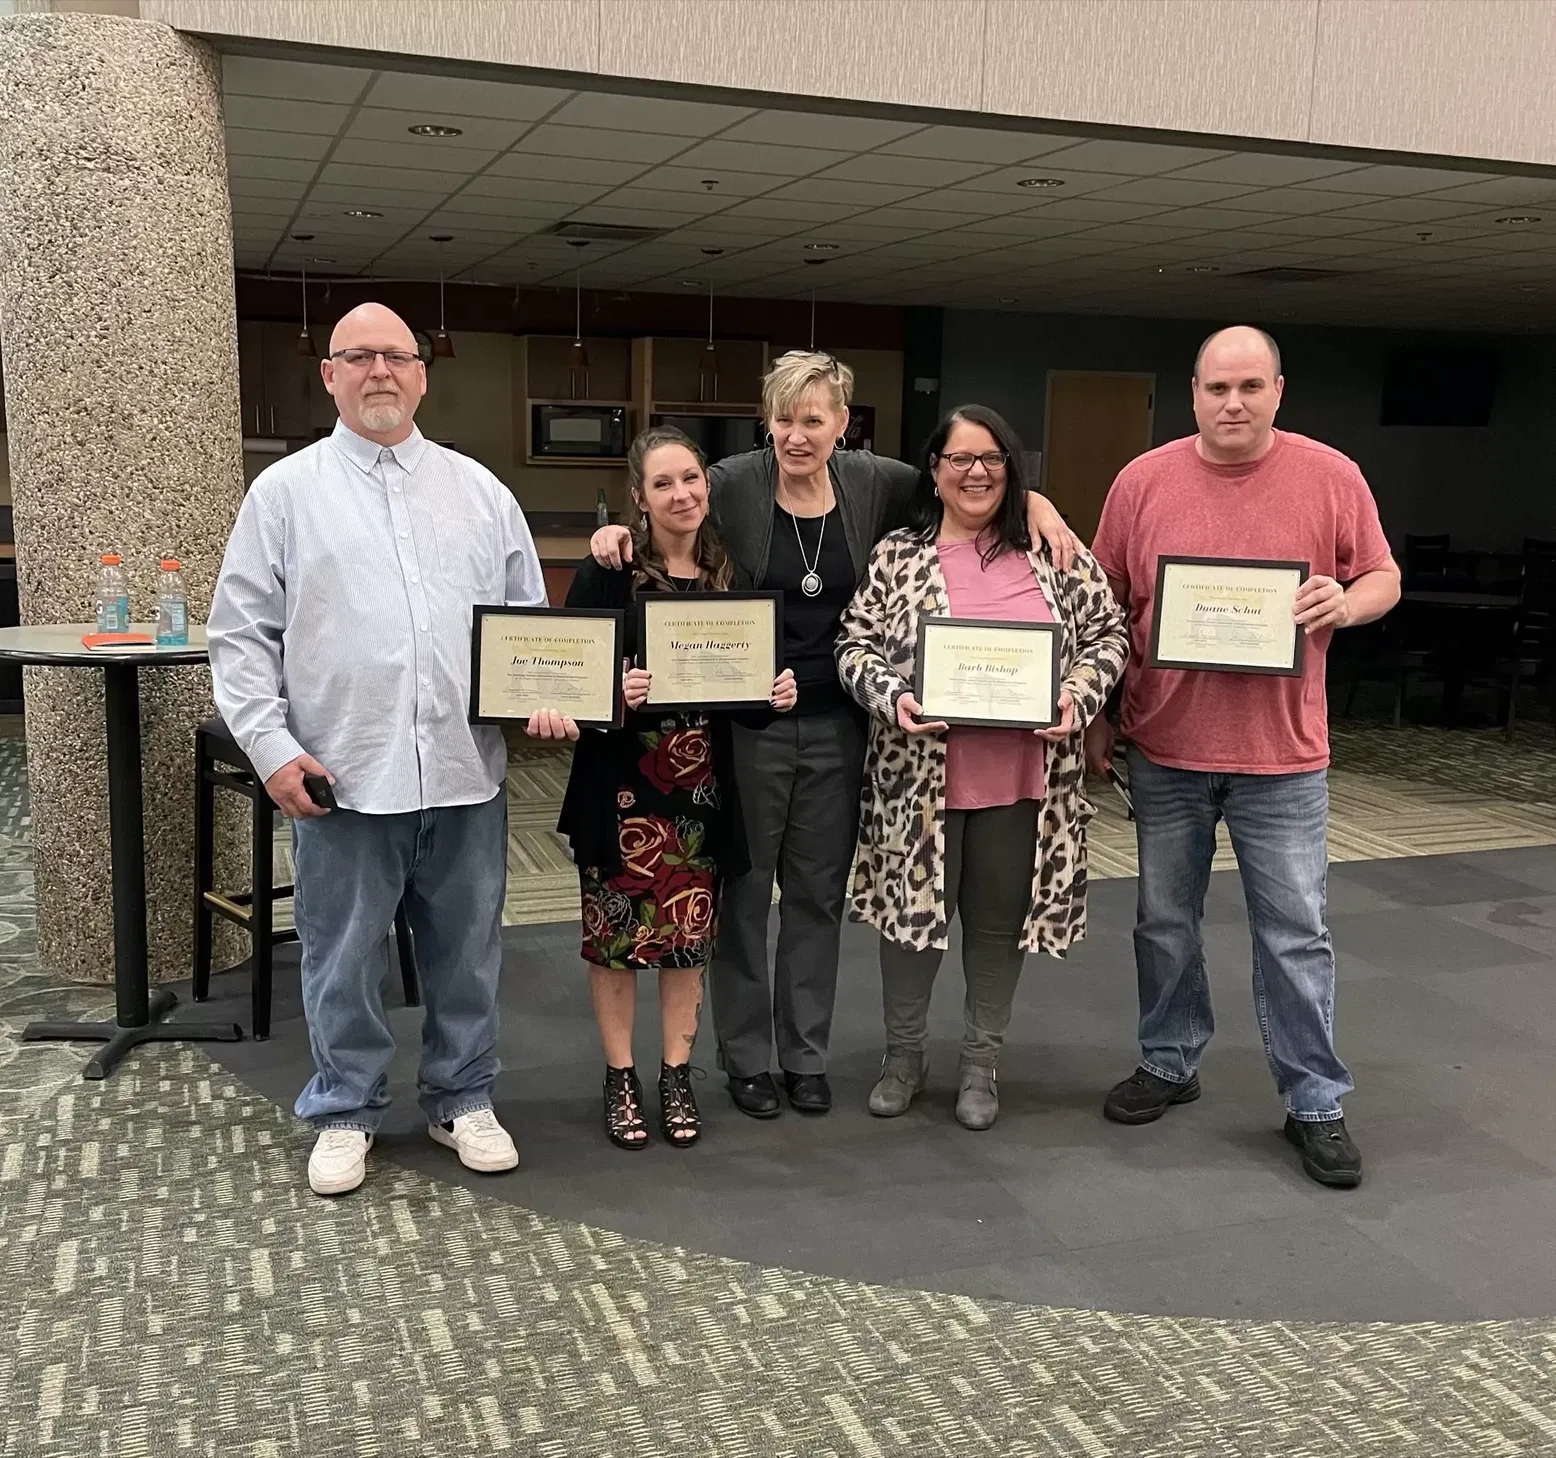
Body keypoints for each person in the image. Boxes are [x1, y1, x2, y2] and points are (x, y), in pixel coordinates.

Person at [591, 352, 1080, 1119]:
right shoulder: (731, 482)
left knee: (817, 896)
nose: (796, 435)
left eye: (813, 420)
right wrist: (613, 533)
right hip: (748, 724)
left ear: (841, 424)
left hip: (842, 725)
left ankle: (805, 1056)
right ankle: (748, 1059)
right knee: (746, 896)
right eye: (783, 419)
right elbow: (665, 504)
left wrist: (1041, 502)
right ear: (767, 421)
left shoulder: (874, 481)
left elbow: (974, 479)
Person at [210, 302, 542, 1197]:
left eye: (397, 356)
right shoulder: (284, 495)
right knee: (342, 953)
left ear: (424, 374)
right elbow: (239, 638)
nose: (380, 372)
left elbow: (530, 627)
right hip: (343, 775)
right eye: (359, 357)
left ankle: (461, 1096)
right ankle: (346, 1106)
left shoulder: (481, 493)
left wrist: (547, 694)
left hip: (466, 772)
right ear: (329, 375)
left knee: (466, 951)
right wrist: (274, 751)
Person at [1087, 324, 1401, 1189]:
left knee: (1296, 935)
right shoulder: (1142, 482)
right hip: (1166, 746)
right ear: (1192, 392)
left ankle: (1315, 1101)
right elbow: (1105, 608)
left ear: (1278, 391)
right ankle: (1169, 1059)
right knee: (1162, 923)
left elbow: (1384, 575)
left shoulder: (1330, 475)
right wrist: (1100, 717)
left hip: (1284, 756)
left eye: (1251, 387)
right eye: (1218, 388)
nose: (1234, 403)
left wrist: (1347, 601)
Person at [836, 406, 1128, 1128]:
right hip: (918, 784)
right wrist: (892, 697)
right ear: (933, 472)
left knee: (997, 927)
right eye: (960, 459)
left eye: (992, 458)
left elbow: (1109, 633)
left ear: (1011, 469)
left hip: (1025, 782)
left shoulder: (1052, 552)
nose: (976, 472)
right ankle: (903, 1058)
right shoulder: (897, 556)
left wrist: (1078, 698)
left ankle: (980, 1065)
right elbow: (853, 645)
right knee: (909, 929)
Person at [531, 426, 797, 1149]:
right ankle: (620, 1077)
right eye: (663, 484)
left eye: (691, 479)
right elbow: (567, 678)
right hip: (620, 789)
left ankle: (676, 1074)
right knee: (614, 943)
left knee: (687, 941)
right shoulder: (610, 571)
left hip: (702, 791)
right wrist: (614, 689)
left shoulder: (729, 573)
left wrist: (773, 691)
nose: (681, 494)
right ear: (639, 499)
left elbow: (743, 693)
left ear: (707, 484)